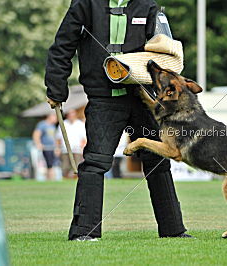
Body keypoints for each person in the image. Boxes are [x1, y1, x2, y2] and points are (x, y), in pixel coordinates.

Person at [45, 0, 190, 240]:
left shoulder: (147, 5)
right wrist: (56, 89)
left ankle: (174, 231)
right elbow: (62, 46)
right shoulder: (85, 4)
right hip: (103, 99)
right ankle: (84, 232)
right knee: (95, 163)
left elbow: (165, 51)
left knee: (158, 162)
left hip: (142, 97)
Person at [55, 109, 86, 179]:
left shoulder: (80, 124)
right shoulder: (63, 124)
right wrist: (57, 148)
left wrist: (83, 148)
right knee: (65, 167)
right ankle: (66, 180)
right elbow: (58, 138)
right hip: (65, 150)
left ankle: (76, 180)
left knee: (77, 167)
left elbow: (84, 138)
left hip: (77, 150)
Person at [32, 114, 58, 180]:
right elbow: (36, 134)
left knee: (52, 164)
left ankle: (50, 178)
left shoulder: (53, 126)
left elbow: (54, 138)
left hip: (52, 148)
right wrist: (38, 143)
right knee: (49, 165)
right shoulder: (42, 124)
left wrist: (56, 147)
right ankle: (50, 178)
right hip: (46, 148)